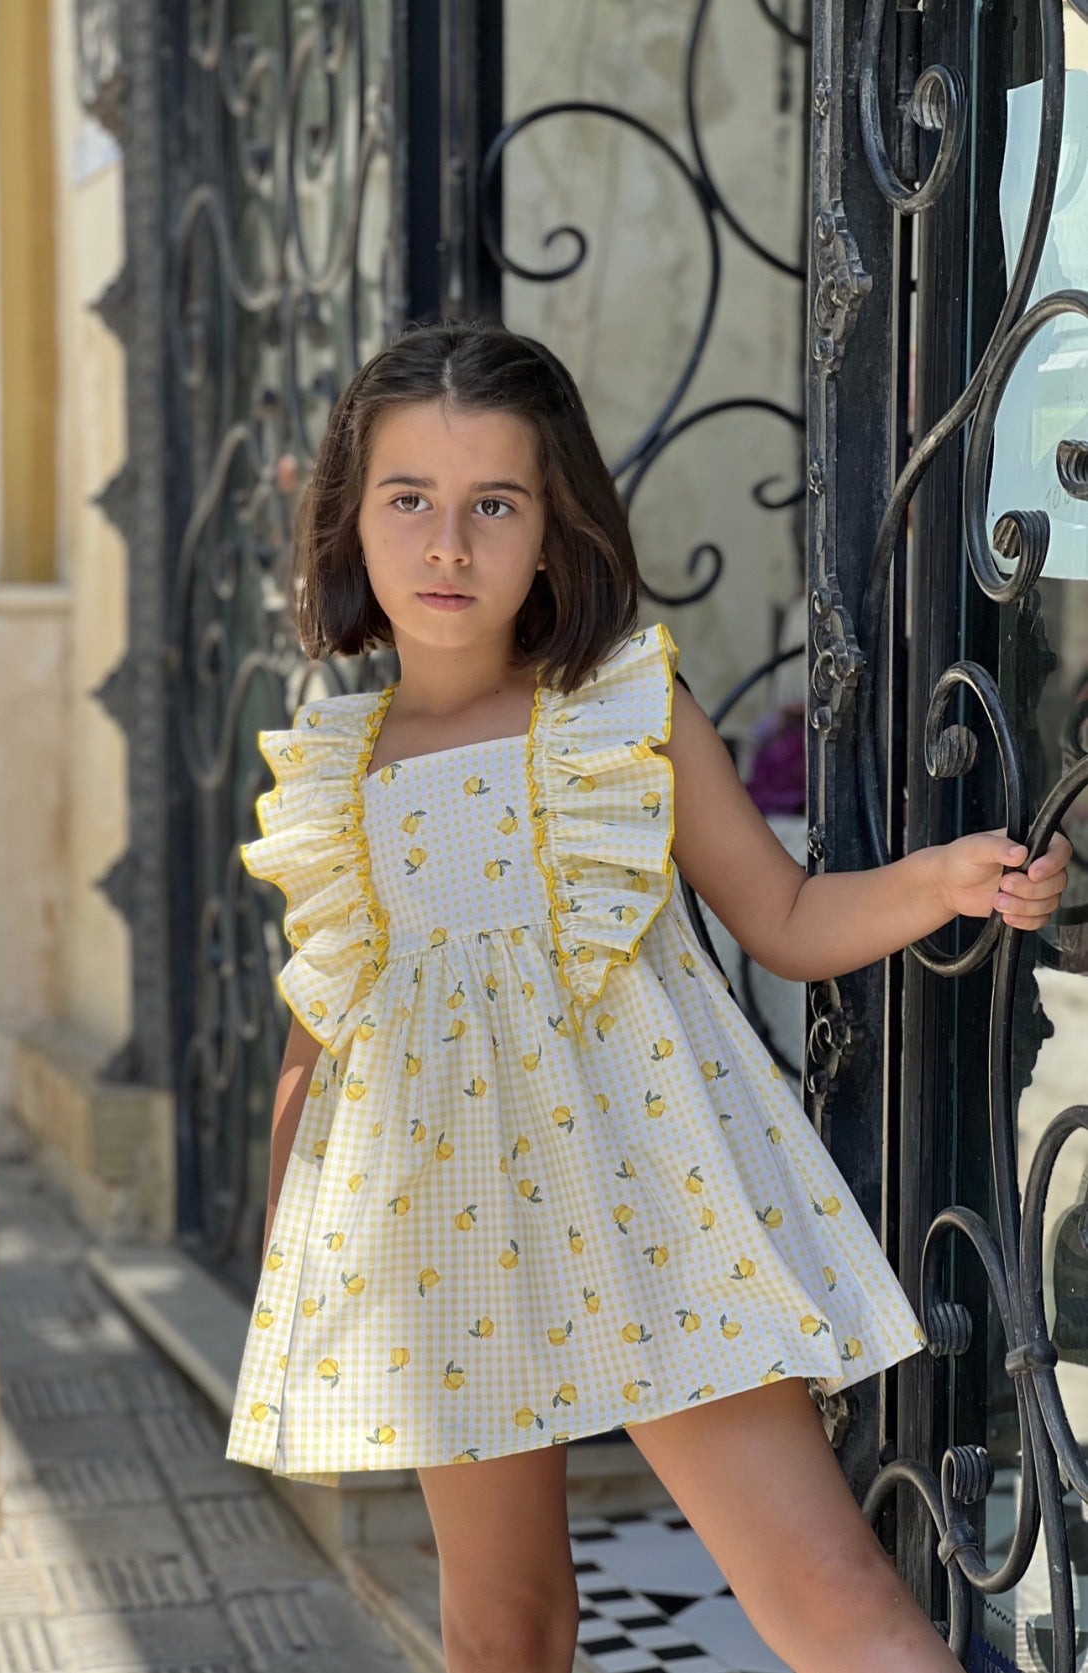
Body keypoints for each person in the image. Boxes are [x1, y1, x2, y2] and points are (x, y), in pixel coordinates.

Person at [224, 320, 1071, 1673]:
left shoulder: (615, 713)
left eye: (494, 504)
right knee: (501, 1625)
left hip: (651, 1213)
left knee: (829, 1596)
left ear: (552, 528)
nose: (448, 545)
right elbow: (316, 1039)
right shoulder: (340, 769)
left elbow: (785, 920)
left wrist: (944, 879)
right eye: (410, 500)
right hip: (442, 1235)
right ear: (350, 519)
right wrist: (296, 1259)